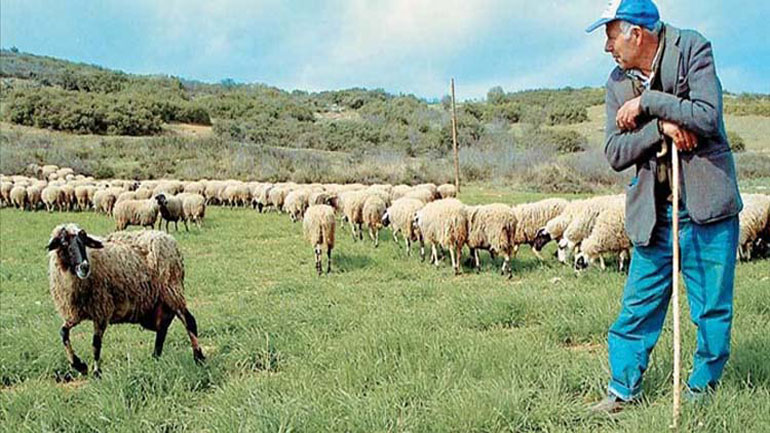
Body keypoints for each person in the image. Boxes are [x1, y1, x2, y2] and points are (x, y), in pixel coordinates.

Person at [585, 0, 743, 413]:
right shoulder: (616, 82)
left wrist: (648, 104)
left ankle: (701, 391)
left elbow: (707, 117)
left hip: (707, 209)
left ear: (636, 34)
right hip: (654, 214)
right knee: (637, 308)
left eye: (610, 36)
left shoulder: (692, 49)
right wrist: (660, 128)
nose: (607, 47)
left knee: (711, 308)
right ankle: (622, 389)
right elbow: (615, 152)